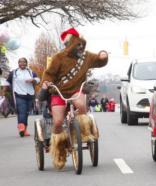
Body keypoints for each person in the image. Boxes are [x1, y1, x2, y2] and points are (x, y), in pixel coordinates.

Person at [40, 27, 108, 169]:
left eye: (81, 44)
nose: (80, 47)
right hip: (58, 92)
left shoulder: (87, 56)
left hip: (77, 90)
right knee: (58, 122)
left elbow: (99, 61)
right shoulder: (58, 58)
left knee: (81, 106)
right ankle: (59, 151)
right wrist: (46, 82)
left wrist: (103, 55)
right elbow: (49, 73)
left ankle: (82, 133)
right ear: (69, 44)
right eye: (77, 44)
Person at [7, 57, 40, 137]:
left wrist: (33, 80)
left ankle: (24, 129)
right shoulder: (14, 73)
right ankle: (21, 127)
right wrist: (4, 91)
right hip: (18, 94)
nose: (22, 63)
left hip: (29, 95)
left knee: (26, 112)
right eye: (20, 62)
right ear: (18, 63)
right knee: (22, 110)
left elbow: (38, 79)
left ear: (26, 63)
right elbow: (7, 82)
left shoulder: (30, 72)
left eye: (24, 62)